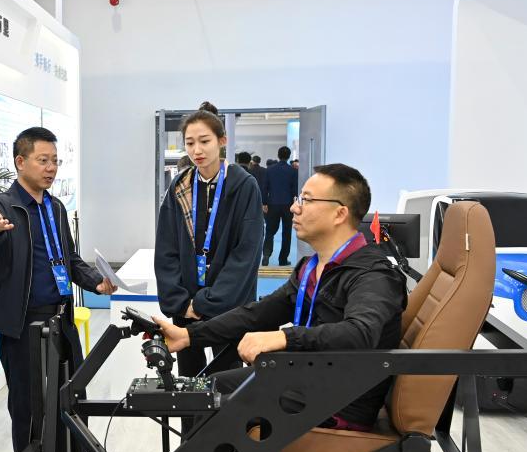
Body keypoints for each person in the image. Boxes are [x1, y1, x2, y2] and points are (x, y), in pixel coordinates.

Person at [155, 163, 407, 433]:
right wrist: (189, 335)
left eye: (306, 200)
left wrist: (283, 338)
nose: (294, 208)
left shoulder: (373, 275)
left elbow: (360, 332)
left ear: (340, 213)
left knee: (219, 410)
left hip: (337, 402)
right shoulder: (311, 267)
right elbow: (260, 312)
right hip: (305, 380)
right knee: (208, 390)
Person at [0, 127, 117, 452]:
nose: (51, 167)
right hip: (23, 322)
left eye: (55, 160)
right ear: (20, 161)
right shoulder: (3, 206)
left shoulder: (55, 208)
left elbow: (69, 259)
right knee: (27, 405)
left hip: (62, 318)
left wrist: (96, 281)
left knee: (73, 396)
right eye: (43, 160)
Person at [154, 101, 264, 386]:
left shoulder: (243, 185)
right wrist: (181, 303)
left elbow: (246, 253)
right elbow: (166, 249)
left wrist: (207, 303)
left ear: (222, 141)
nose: (197, 150)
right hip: (186, 306)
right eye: (190, 143)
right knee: (188, 379)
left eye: (204, 141)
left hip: (229, 306)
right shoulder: (180, 186)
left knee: (227, 377)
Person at [262, 146, 298, 266]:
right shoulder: (293, 171)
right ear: (288, 156)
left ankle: (266, 255)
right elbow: (294, 189)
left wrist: (264, 202)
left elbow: (265, 187)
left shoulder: (270, 170)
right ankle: (283, 259)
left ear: (278, 155)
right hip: (288, 205)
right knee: (287, 233)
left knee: (270, 230)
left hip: (273, 203)